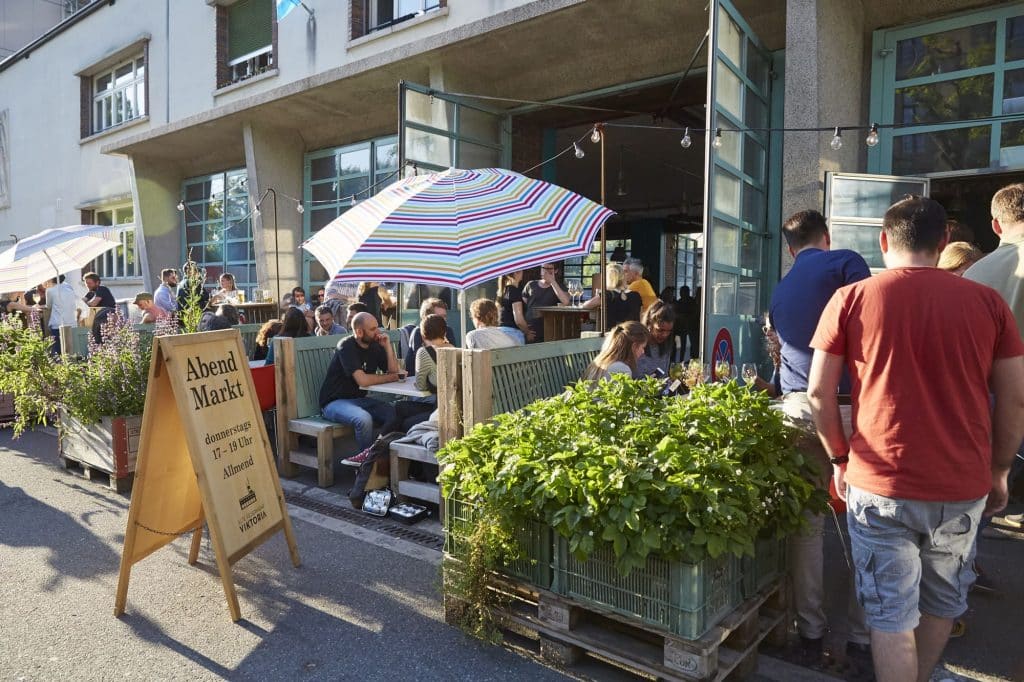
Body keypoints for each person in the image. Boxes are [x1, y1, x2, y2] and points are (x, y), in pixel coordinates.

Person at [807, 196, 1024, 682]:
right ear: (943, 241)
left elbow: (820, 392)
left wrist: (839, 459)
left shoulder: (851, 299)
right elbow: (1014, 400)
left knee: (890, 615)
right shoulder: (987, 303)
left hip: (879, 481)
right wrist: (1000, 470)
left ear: (884, 241)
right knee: (942, 602)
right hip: (961, 485)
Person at [768, 208, 872, 668]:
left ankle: (810, 634)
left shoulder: (782, 287)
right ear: (826, 237)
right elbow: (874, 323)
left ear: (791, 248)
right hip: (850, 405)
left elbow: (779, 350)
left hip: (796, 408)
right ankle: (862, 638)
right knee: (868, 521)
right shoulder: (847, 262)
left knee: (807, 523)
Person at [964, 183, 1024, 531]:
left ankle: (968, 566)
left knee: (983, 497)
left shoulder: (975, 275)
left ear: (996, 225)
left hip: (991, 399)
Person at [319, 312, 401, 457]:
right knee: (363, 419)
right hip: (334, 402)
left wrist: (387, 346)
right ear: (359, 331)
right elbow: (362, 380)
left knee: (392, 412)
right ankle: (365, 464)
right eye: (373, 329)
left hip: (359, 401)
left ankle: (375, 453)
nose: (378, 332)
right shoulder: (346, 346)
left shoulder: (375, 345)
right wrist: (391, 377)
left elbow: (393, 371)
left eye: (378, 327)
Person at [404, 297, 457, 376]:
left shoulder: (448, 330)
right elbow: (422, 361)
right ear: (427, 318)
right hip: (416, 377)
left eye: (444, 316)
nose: (444, 320)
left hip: (440, 376)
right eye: (439, 317)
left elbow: (452, 356)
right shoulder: (419, 332)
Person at [582, 321, 648, 381]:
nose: (643, 352)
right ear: (634, 347)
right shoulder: (621, 369)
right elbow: (625, 394)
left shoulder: (602, 360)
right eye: (642, 347)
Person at [581, 262, 641, 328]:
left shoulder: (607, 295)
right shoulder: (636, 295)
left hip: (612, 334)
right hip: (633, 333)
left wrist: (597, 296)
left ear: (608, 278)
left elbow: (586, 306)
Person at [522, 263, 570, 343]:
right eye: (544, 268)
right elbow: (523, 306)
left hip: (549, 330)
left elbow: (566, 302)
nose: (546, 271)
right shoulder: (531, 284)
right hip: (531, 330)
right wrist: (525, 330)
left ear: (556, 271)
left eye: (549, 269)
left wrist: (552, 281)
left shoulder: (559, 286)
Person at [414, 313, 452, 396]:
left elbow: (421, 386)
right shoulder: (455, 349)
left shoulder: (424, 352)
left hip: (439, 405)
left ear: (423, 335)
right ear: (445, 333)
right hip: (458, 403)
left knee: (400, 406)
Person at [636, 301, 676, 377]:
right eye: (660, 330)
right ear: (649, 324)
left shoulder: (667, 345)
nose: (665, 335)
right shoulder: (636, 346)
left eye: (669, 331)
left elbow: (664, 376)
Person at [44, 275, 77, 355]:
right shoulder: (70, 289)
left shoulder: (50, 290)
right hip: (72, 323)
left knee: (57, 351)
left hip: (57, 323)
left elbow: (48, 306)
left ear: (51, 279)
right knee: (71, 351)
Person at [498, 270, 533, 344]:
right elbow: (519, 320)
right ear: (516, 273)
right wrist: (528, 332)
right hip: (513, 334)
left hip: (500, 333)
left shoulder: (503, 291)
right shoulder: (514, 291)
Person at [674, 286, 698, 362]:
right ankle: (681, 360)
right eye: (681, 292)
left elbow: (695, 313)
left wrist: (686, 317)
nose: (681, 294)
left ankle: (692, 359)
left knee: (693, 345)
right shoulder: (679, 302)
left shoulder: (692, 302)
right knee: (682, 346)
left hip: (692, 327)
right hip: (681, 327)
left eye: (683, 292)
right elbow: (675, 314)